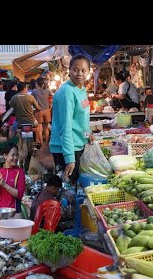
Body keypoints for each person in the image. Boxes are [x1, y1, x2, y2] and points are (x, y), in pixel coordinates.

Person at [50, 54, 94, 184]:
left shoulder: (81, 89)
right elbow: (66, 127)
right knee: (67, 192)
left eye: (83, 70)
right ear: (69, 70)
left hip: (77, 146)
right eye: (75, 69)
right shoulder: (67, 92)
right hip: (66, 149)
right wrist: (69, 158)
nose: (79, 73)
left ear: (88, 72)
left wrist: (88, 134)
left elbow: (82, 120)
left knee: (74, 189)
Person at [0, 143, 26, 219]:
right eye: (13, 155)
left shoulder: (19, 172)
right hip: (1, 213)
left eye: (17, 155)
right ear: (5, 156)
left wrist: (4, 185)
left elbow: (19, 194)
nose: (15, 158)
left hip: (15, 214)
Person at [32, 77, 53, 148]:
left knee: (39, 128)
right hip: (47, 110)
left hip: (39, 111)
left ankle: (41, 144)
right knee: (46, 128)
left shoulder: (34, 91)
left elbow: (32, 100)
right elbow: (54, 95)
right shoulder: (47, 90)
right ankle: (46, 144)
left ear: (37, 83)